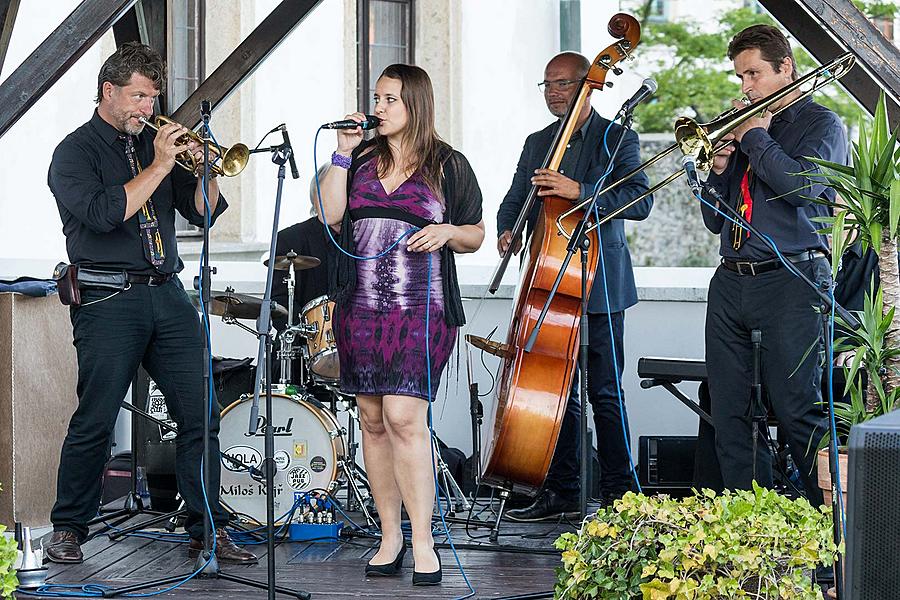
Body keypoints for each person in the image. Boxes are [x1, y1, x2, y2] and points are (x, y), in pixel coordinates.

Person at [46, 42, 255, 565]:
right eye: (137, 96)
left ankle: (208, 526)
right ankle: (68, 525)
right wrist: (163, 165)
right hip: (107, 297)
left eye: (153, 96)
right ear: (108, 91)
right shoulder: (74, 153)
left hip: (166, 293)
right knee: (95, 417)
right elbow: (105, 213)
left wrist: (205, 171)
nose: (145, 107)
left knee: (200, 414)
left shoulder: (153, 146)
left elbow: (204, 214)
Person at [318, 63, 483, 585]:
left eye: (390, 99)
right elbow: (329, 214)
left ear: (415, 104)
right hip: (360, 307)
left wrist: (447, 231)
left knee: (405, 419)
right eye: (377, 98)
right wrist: (341, 153)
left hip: (422, 308)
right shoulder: (360, 158)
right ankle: (389, 537)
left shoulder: (449, 165)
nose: (379, 107)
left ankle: (424, 542)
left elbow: (477, 234)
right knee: (371, 420)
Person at [498, 52, 653, 521]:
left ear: (588, 85)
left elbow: (639, 200)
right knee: (554, 392)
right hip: (547, 282)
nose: (552, 93)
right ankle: (561, 493)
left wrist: (578, 190)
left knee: (605, 392)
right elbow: (514, 199)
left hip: (601, 285)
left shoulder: (617, 137)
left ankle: (621, 495)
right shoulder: (537, 142)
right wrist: (509, 230)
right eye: (546, 85)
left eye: (561, 84)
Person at [699, 24, 848, 505]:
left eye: (754, 74)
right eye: (740, 76)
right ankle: (749, 531)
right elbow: (714, 220)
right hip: (731, 280)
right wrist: (720, 172)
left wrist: (757, 140)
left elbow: (802, 190)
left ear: (786, 68)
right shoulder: (744, 130)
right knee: (729, 411)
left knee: (797, 408)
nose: (745, 86)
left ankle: (828, 533)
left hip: (793, 280)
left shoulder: (822, 125)